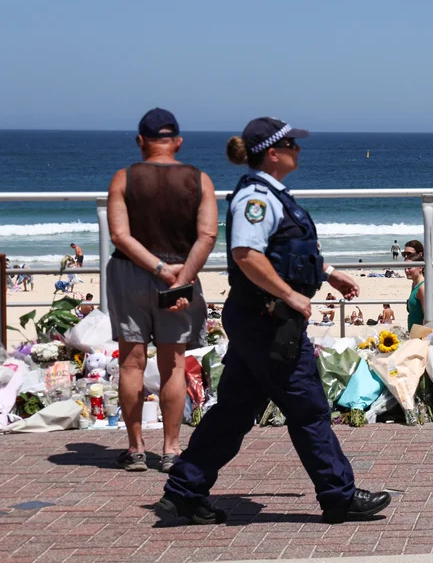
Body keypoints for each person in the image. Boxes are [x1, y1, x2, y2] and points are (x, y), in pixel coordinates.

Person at [158, 116, 389, 525]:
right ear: (273, 154)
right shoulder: (257, 199)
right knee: (308, 408)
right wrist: (290, 295)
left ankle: (185, 490)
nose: (299, 151)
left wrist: (327, 272)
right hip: (267, 322)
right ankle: (338, 495)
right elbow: (247, 255)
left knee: (234, 410)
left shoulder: (273, 195)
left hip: (260, 320)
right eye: (293, 145)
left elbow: (285, 252)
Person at [106, 108, 218, 473]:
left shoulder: (123, 179)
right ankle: (171, 450)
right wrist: (180, 276)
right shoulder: (200, 180)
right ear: (179, 141)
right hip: (181, 277)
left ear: (141, 141)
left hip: (130, 273)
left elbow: (120, 236)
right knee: (172, 364)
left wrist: (157, 267)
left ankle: (136, 448)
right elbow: (208, 235)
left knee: (131, 361)